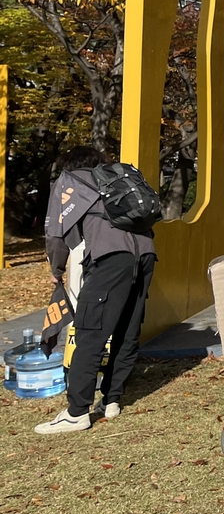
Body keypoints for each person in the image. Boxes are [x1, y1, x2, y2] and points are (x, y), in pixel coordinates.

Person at [36, 146, 158, 433]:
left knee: (90, 331)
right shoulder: (114, 179)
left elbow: (55, 234)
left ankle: (77, 412)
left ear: (68, 165)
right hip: (146, 256)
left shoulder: (69, 181)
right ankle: (111, 400)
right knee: (128, 327)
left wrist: (56, 269)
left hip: (111, 259)